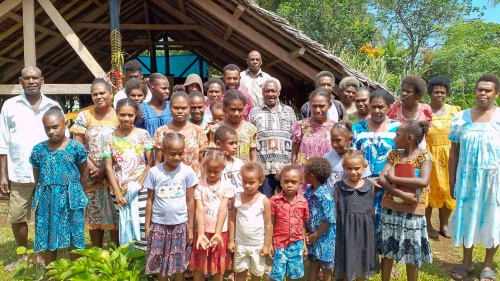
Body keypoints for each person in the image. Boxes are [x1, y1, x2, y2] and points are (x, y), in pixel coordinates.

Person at [0, 66, 64, 270]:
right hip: (20, 170)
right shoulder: (10, 106)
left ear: (42, 80)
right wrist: (3, 175)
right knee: (17, 215)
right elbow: (2, 142)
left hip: (49, 172)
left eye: (35, 77)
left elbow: (65, 139)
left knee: (45, 215)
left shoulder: (53, 106)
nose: (31, 81)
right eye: (26, 78)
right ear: (20, 81)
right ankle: (23, 254)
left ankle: (41, 255)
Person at [448, 74, 500, 281]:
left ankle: (487, 264)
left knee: (493, 218)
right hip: (467, 177)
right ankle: (466, 262)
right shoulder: (461, 118)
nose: (483, 93)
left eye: (488, 90)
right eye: (480, 89)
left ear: (496, 93)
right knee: (466, 217)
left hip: (495, 180)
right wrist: (452, 180)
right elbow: (454, 152)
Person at [29, 106, 88, 265]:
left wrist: (75, 192)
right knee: (49, 235)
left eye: (55, 127)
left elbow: (84, 174)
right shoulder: (39, 149)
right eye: (47, 128)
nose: (51, 131)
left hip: (71, 198)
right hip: (47, 199)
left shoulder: (77, 147)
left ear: (65, 125)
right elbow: (38, 177)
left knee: (73, 234)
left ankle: (77, 271)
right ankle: (51, 272)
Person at [377, 120, 433, 281]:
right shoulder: (394, 154)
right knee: (387, 251)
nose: (394, 137)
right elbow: (382, 179)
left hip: (413, 211)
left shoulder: (425, 156)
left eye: (398, 134)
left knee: (412, 252)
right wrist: (401, 194)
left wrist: (394, 178)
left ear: (410, 137)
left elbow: (423, 181)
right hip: (390, 208)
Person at [70, 78, 119, 247]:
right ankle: (97, 252)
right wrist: (93, 168)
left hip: (115, 171)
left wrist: (105, 169)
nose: (98, 97)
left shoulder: (120, 115)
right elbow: (78, 145)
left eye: (102, 93)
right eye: (95, 94)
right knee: (94, 213)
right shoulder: (84, 116)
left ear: (110, 94)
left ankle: (117, 252)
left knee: (116, 214)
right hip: (90, 173)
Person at [144, 132, 199, 281]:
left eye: (180, 153)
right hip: (158, 225)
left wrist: (190, 227)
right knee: (160, 260)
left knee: (178, 261)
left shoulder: (187, 172)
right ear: (163, 151)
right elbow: (150, 200)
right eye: (173, 154)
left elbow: (190, 201)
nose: (177, 157)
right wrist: (147, 226)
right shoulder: (154, 172)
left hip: (180, 225)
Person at [103, 98, 154, 248]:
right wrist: (118, 193)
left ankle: (144, 263)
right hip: (119, 191)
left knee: (142, 224)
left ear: (135, 116)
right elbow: (108, 167)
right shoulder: (108, 138)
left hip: (141, 189)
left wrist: (140, 183)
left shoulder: (143, 134)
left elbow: (151, 162)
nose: (126, 118)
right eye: (122, 114)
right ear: (117, 114)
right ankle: (129, 263)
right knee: (125, 224)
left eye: (130, 115)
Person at [352, 89, 400, 230]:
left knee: (388, 222)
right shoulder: (358, 127)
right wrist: (365, 179)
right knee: (364, 221)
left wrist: (390, 178)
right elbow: (354, 156)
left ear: (389, 107)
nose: (377, 110)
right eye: (373, 107)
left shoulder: (396, 127)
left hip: (390, 183)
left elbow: (401, 155)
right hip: (363, 182)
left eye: (381, 107)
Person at [424, 76, 460, 240]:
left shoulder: (455, 111)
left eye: (443, 92)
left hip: (450, 154)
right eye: (436, 92)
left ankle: (444, 224)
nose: (440, 95)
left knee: (448, 189)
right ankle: (427, 223)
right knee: (430, 189)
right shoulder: (424, 111)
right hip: (429, 154)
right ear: (430, 93)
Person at [334, 150, 379, 281]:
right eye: (349, 168)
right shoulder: (339, 187)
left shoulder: (370, 186)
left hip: (365, 229)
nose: (353, 172)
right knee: (345, 259)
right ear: (344, 168)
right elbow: (337, 211)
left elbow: (371, 209)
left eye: (357, 168)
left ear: (364, 167)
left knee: (362, 260)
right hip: (345, 229)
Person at [190, 149, 234, 281]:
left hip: (220, 233)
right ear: (204, 167)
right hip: (203, 233)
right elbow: (199, 209)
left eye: (216, 171)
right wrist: (201, 233)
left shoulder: (227, 186)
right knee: (199, 266)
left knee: (218, 268)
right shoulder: (200, 186)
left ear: (223, 168)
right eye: (209, 171)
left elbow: (223, 209)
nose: (212, 174)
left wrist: (218, 233)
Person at [249, 77, 296, 197]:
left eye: (273, 91)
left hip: (285, 166)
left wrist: (293, 164)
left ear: (278, 92)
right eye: (267, 91)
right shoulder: (254, 113)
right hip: (263, 167)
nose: (270, 94)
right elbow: (250, 140)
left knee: (287, 202)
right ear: (262, 92)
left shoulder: (289, 111)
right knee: (265, 202)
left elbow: (295, 137)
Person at [228, 162, 272, 281]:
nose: (247, 186)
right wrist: (231, 241)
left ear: (261, 181)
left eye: (252, 182)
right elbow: (232, 220)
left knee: (256, 273)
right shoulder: (237, 198)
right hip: (240, 244)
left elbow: (268, 224)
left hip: (257, 244)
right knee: (240, 271)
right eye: (244, 181)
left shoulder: (264, 201)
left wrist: (267, 245)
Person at [265, 165, 309, 281]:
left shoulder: (303, 202)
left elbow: (302, 224)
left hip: (296, 243)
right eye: (286, 181)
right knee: (276, 275)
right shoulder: (274, 200)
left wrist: (304, 243)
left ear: (300, 183)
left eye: (293, 182)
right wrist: (269, 243)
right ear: (280, 182)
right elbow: (270, 223)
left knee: (293, 275)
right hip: (279, 243)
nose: (289, 185)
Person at [154, 92, 207, 178]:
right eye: (176, 108)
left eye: (184, 108)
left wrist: (203, 183)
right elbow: (158, 161)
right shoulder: (161, 132)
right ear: (170, 108)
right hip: (169, 181)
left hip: (194, 180)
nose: (180, 111)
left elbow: (201, 161)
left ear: (189, 108)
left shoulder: (198, 131)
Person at [292, 88, 335, 192]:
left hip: (327, 178)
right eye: (314, 106)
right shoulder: (301, 126)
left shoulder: (335, 128)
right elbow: (294, 153)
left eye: (322, 106)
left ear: (329, 105)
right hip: (304, 176)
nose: (317, 110)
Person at [303, 157, 335, 281]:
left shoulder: (325, 196)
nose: (303, 174)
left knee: (326, 268)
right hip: (312, 237)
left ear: (312, 175)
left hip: (325, 238)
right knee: (313, 265)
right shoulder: (307, 193)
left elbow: (329, 219)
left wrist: (316, 235)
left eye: (305, 171)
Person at [208, 90, 257, 162]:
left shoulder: (251, 129)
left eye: (240, 110)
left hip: (244, 171)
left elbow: (253, 157)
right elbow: (211, 155)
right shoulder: (214, 129)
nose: (237, 113)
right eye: (233, 109)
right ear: (225, 108)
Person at [323, 122, 371, 191]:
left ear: (350, 139)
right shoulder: (327, 158)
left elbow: (364, 182)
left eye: (338, 140)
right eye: (332, 140)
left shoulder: (358, 158)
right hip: (331, 200)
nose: (334, 144)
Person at [137, 73, 173, 137]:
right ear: (152, 88)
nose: (167, 91)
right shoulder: (142, 109)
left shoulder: (172, 107)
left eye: (168, 88)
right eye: (164, 88)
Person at [214, 125, 244, 192]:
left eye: (236, 143)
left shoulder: (240, 163)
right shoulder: (213, 165)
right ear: (218, 144)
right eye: (231, 143)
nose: (235, 146)